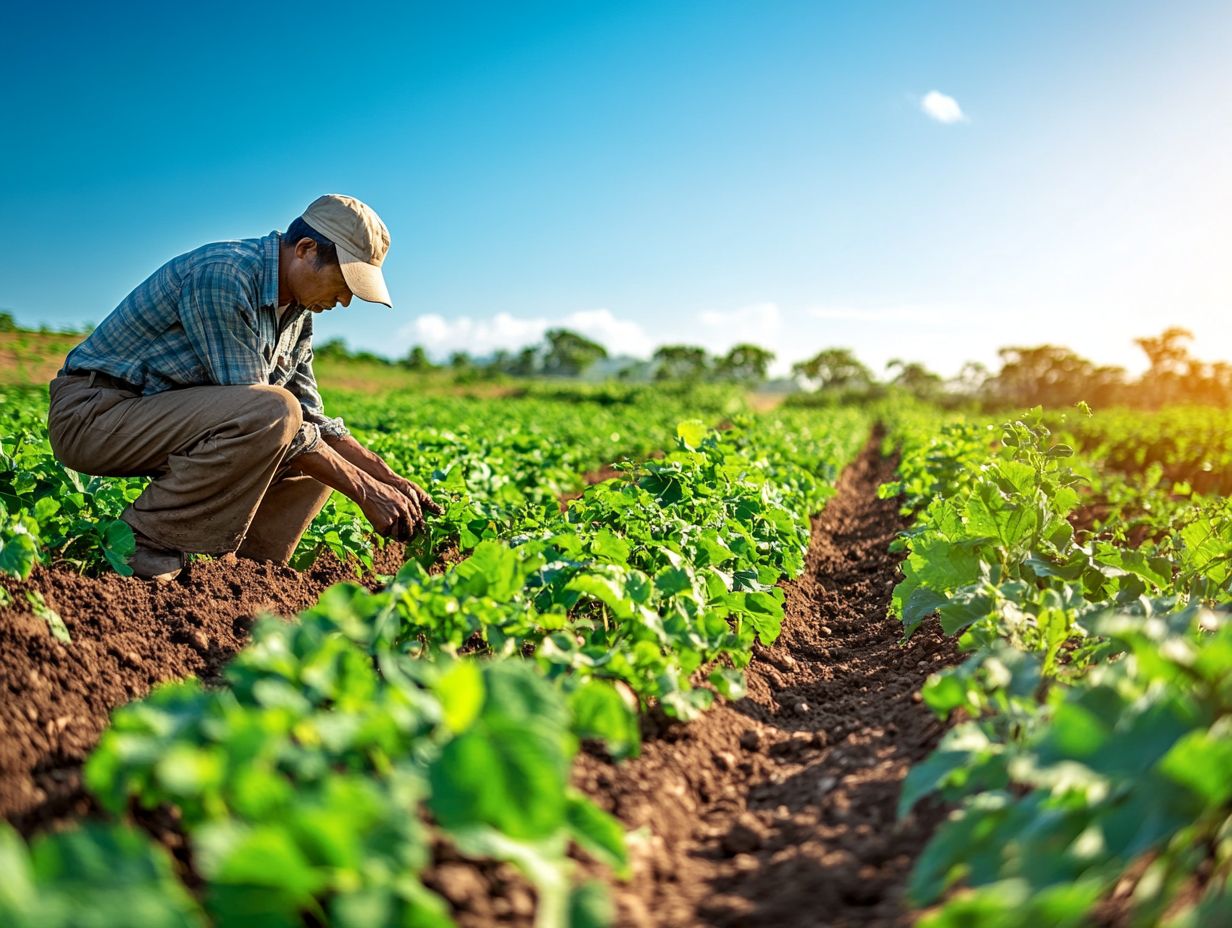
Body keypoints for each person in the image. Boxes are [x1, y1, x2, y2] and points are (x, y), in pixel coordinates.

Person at [47, 194, 440, 581]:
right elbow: (264, 410)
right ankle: (145, 541)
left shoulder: (297, 313)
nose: (346, 300)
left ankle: (246, 574)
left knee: (311, 459)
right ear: (305, 249)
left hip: (158, 418)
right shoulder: (224, 275)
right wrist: (364, 491)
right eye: (344, 282)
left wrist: (387, 478)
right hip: (95, 415)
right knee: (277, 414)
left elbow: (312, 419)